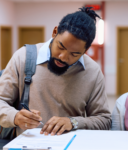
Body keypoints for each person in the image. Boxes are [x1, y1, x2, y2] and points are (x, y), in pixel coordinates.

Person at [0, 7, 111, 136]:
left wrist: (73, 122)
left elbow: (104, 120)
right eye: (60, 47)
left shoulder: (92, 71)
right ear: (54, 32)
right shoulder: (23, 57)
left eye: (74, 54)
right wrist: (15, 117)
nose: (63, 57)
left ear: (85, 50)